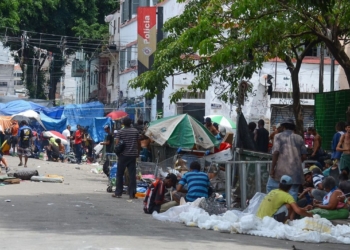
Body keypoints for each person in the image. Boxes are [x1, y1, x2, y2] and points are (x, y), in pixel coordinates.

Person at [268, 119, 307, 201]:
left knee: (272, 190)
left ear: (283, 127)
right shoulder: (299, 138)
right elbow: (304, 155)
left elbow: (275, 153)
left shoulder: (278, 136)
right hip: (296, 173)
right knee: (292, 195)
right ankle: (291, 212)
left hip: (281, 171)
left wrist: (272, 169)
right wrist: (297, 162)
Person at [113, 117, 140, 199]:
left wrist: (118, 153)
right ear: (131, 123)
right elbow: (138, 143)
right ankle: (132, 194)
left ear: (123, 124)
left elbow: (117, 143)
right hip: (132, 156)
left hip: (123, 155)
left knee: (120, 174)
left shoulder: (120, 132)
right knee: (132, 175)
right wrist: (137, 152)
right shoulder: (135, 131)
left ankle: (118, 193)